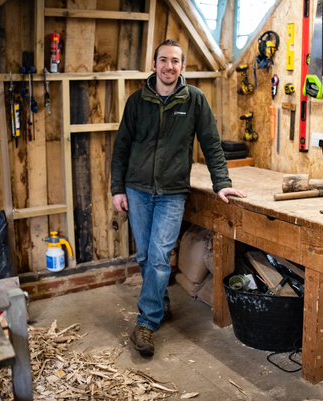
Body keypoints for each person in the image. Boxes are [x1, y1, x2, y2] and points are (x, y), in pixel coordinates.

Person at [110, 39, 247, 357]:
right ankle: (160, 304)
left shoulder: (195, 100)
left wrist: (221, 183)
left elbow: (211, 143)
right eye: (163, 60)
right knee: (145, 257)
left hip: (172, 193)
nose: (168, 66)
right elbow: (121, 148)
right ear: (154, 64)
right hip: (137, 190)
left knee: (158, 258)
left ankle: (146, 324)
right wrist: (118, 188)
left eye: (175, 61)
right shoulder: (137, 101)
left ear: (182, 66)